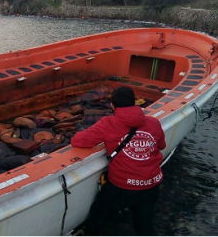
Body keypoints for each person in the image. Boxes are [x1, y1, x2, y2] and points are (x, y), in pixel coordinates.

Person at [71, 86, 166, 237]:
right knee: (145, 224)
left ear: (112, 105)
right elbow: (161, 146)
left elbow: (78, 141)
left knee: (98, 214)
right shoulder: (153, 123)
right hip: (151, 185)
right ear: (135, 102)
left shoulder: (108, 123)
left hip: (122, 186)